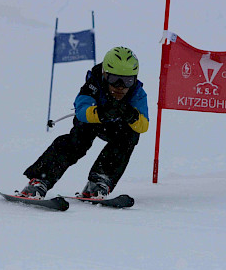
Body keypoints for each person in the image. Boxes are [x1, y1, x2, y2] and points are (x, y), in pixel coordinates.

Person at [19, 46, 149, 199]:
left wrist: (132, 115)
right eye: (114, 80)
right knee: (77, 143)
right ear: (105, 75)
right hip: (90, 122)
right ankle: (39, 180)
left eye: (127, 81)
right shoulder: (94, 83)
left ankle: (100, 181)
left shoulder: (137, 93)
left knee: (129, 137)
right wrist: (99, 113)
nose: (120, 87)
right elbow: (81, 109)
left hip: (117, 128)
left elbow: (143, 125)